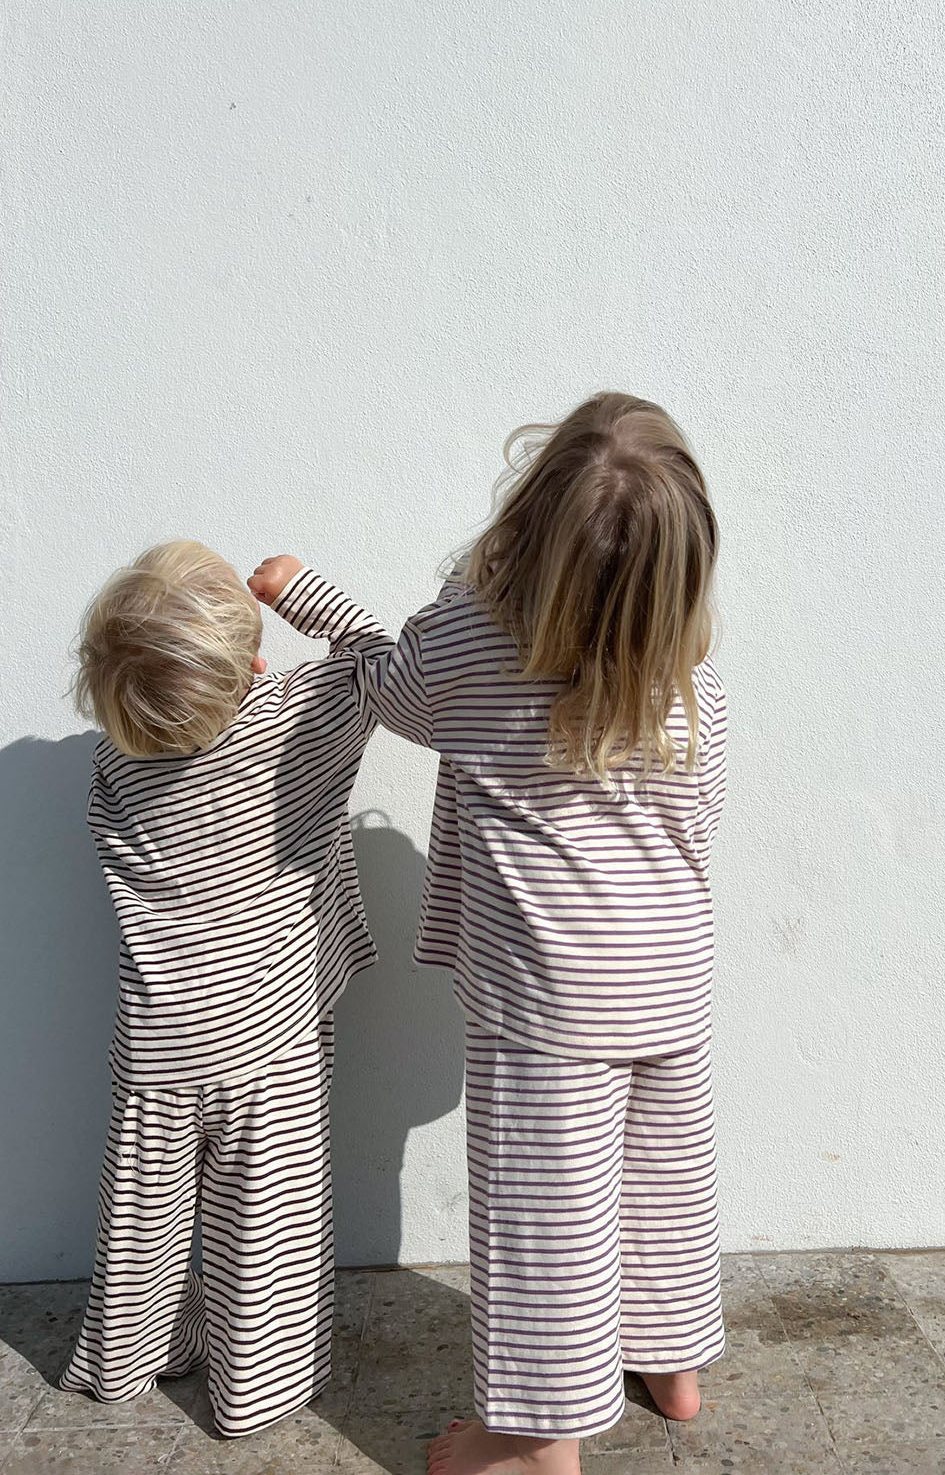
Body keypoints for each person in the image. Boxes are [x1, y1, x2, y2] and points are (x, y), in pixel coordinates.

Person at [353, 392, 728, 1475]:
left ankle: (527, 1438)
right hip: (670, 966)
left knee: (545, 1213)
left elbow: (393, 694)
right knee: (662, 1176)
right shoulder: (686, 660)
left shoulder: (475, 632)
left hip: (547, 995)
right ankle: (669, 1363)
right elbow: (702, 811)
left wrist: (333, 608)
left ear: (531, 511)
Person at [60, 541, 392, 1437]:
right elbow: (380, 663)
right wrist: (299, 592)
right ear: (252, 661)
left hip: (157, 1036)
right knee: (263, 1228)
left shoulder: (114, 764)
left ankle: (129, 1358)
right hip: (268, 1040)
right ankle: (257, 1390)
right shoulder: (299, 722)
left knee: (146, 1217)